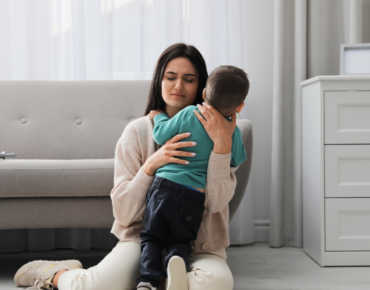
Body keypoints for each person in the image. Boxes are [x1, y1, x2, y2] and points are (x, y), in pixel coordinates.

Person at [14, 43, 244, 290]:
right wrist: (152, 165)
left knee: (217, 284)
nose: (178, 86)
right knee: (93, 287)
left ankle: (158, 279)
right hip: (142, 242)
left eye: (189, 79)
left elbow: (217, 203)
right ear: (159, 80)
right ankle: (54, 273)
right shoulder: (137, 131)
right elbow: (124, 213)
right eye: (170, 77)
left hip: (200, 243)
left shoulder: (225, 132)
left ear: (203, 87)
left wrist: (221, 147)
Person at [136, 65, 249, 290]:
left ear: (205, 93)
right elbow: (237, 159)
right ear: (240, 106)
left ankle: (147, 281)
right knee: (181, 240)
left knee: (152, 238)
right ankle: (175, 264)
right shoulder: (230, 131)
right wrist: (227, 137)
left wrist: (158, 117)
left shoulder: (189, 113)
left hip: (165, 187)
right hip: (195, 196)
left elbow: (160, 133)